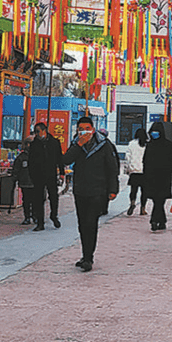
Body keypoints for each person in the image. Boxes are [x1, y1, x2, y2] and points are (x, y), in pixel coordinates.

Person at [62, 117, 119, 272]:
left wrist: (113, 189)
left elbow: (112, 168)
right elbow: (65, 160)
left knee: (90, 222)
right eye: (81, 129)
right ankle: (85, 254)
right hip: (80, 190)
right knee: (82, 224)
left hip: (98, 190)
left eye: (87, 128)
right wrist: (78, 145)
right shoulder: (76, 144)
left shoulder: (104, 145)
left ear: (93, 130)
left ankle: (88, 258)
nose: (84, 132)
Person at [27, 122, 65, 230]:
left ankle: (54, 216)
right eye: (35, 132)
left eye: (38, 132)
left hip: (51, 174)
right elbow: (31, 160)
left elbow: (59, 158)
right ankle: (40, 222)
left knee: (53, 196)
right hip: (38, 175)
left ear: (44, 131)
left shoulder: (54, 143)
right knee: (38, 199)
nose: (37, 134)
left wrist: (62, 173)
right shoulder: (34, 144)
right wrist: (32, 174)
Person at [142, 122, 172, 231]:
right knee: (159, 200)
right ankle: (160, 221)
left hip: (157, 177)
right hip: (160, 177)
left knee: (158, 200)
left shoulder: (157, 145)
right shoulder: (154, 145)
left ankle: (155, 220)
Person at [12, 136, 36, 225]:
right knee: (26, 201)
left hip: (36, 182)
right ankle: (27, 217)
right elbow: (16, 169)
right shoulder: (21, 157)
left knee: (35, 201)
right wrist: (15, 178)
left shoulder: (38, 156)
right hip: (25, 182)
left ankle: (35, 216)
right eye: (28, 144)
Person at [124, 128, 147, 216]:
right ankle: (142, 209)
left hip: (134, 171)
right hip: (144, 171)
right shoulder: (147, 145)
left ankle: (132, 203)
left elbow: (127, 157)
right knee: (144, 191)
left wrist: (127, 169)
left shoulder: (131, 144)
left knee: (133, 190)